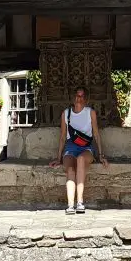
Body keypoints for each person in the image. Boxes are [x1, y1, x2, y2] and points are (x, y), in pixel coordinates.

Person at [50, 86, 108, 214]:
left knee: (81, 159)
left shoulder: (90, 112)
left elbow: (96, 134)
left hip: (86, 147)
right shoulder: (66, 113)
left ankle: (80, 202)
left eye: (81, 96)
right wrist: (58, 158)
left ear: (86, 99)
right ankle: (70, 205)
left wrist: (101, 155)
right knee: (70, 169)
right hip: (71, 147)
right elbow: (62, 137)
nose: (78, 98)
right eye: (77, 95)